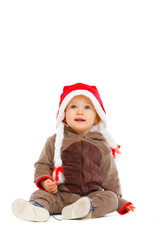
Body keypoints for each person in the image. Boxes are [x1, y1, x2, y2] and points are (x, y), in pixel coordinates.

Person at [12, 83, 135, 222]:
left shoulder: (102, 145)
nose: (79, 112)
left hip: (91, 197)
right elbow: (42, 164)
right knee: (39, 194)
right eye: (73, 106)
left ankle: (84, 209)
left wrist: (119, 201)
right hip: (60, 195)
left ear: (96, 117)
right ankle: (36, 210)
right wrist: (45, 181)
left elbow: (110, 176)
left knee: (110, 198)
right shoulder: (54, 140)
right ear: (64, 114)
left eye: (87, 107)